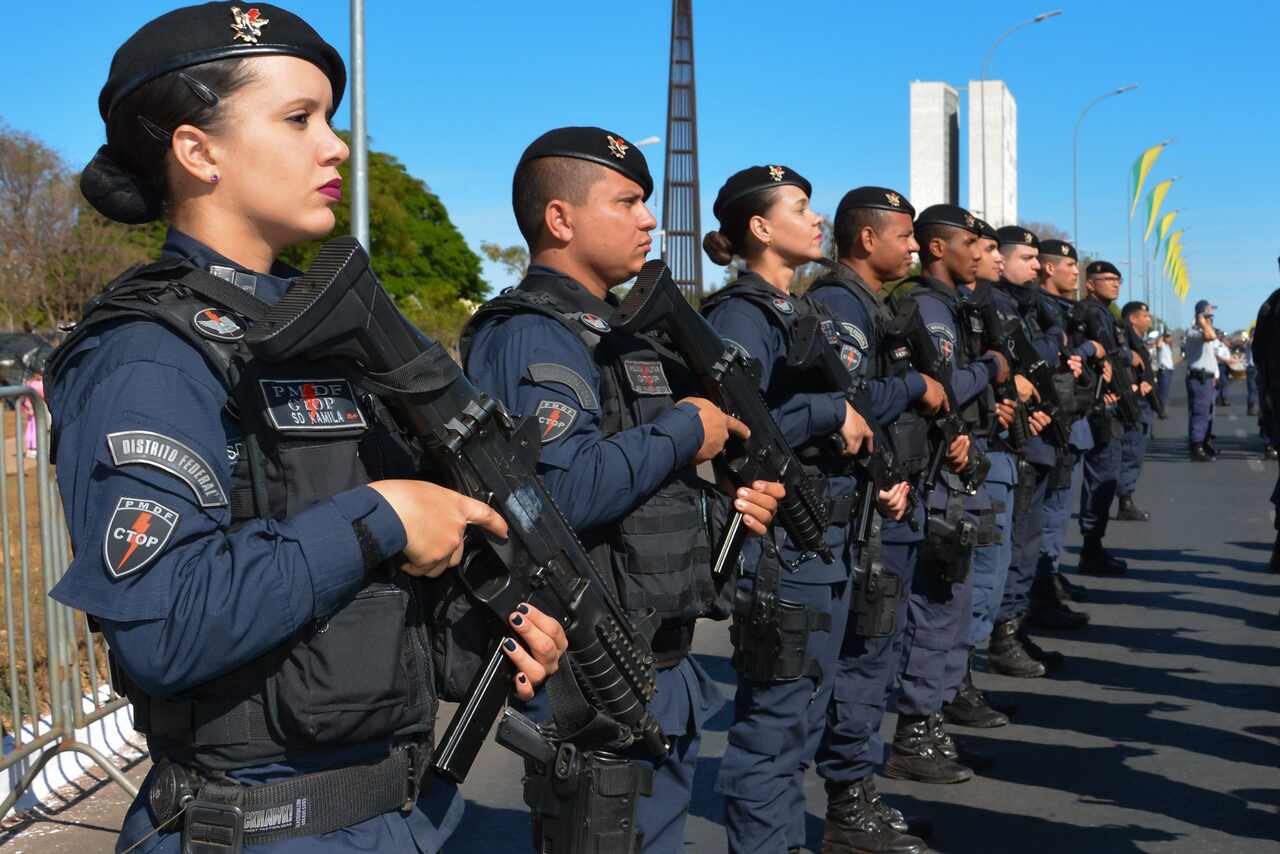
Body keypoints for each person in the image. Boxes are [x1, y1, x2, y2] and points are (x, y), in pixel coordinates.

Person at [45, 7, 572, 852]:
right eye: (299, 119)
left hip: (407, 812)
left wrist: (484, 640)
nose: (335, 146)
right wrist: (384, 516)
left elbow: (363, 597)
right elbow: (167, 626)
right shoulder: (148, 353)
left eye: (330, 117)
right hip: (256, 827)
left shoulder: (330, 339)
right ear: (198, 151)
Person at [462, 131, 785, 854]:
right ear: (560, 219)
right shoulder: (533, 336)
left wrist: (729, 511)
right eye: (628, 202)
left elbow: (649, 486)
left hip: (657, 659)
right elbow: (554, 497)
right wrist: (683, 429)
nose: (651, 220)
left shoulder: (625, 335)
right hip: (590, 674)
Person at [697, 167, 915, 854]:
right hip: (778, 553)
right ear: (761, 229)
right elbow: (733, 424)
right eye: (799, 208)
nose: (816, 219)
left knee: (802, 720)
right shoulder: (740, 315)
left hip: (820, 538)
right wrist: (827, 412)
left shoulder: (797, 312)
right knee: (774, 730)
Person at [808, 186, 948, 854]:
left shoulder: (870, 306)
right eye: (904, 236)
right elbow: (851, 404)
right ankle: (848, 803)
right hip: (865, 513)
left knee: (875, 652)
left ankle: (856, 792)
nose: (913, 248)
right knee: (862, 659)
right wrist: (916, 387)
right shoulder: (840, 305)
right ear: (867, 239)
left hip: (886, 500)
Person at [884, 204, 1002, 791]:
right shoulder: (927, 307)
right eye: (971, 243)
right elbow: (948, 386)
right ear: (939, 248)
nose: (980, 253)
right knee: (935, 605)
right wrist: (992, 369)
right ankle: (915, 730)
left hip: (954, 468)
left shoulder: (953, 307)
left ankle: (930, 722)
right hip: (934, 475)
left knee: (949, 601)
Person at [1069, 261, 1132, 576]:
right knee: (1101, 475)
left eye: (1118, 280)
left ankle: (1094, 547)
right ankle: (1091, 549)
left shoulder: (1106, 313)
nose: (1115, 284)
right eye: (1108, 279)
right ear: (1090, 283)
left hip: (1106, 401)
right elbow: (1103, 355)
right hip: (1098, 405)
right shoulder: (1092, 312)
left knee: (1105, 475)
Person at [1117, 302, 1156, 521]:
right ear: (1133, 319)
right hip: (1132, 403)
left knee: (1135, 450)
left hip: (1140, 402)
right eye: (1145, 316)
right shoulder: (1124, 339)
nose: (1148, 320)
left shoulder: (1136, 340)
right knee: (1131, 451)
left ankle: (1125, 496)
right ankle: (1125, 499)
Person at [1185, 299, 1229, 461]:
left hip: (1208, 378)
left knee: (1209, 414)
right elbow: (1209, 336)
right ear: (1201, 315)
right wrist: (1202, 322)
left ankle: (1204, 442)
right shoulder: (1193, 331)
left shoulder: (1207, 330)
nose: (1212, 317)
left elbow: (1211, 356)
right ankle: (1196, 446)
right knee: (1200, 413)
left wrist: (1216, 375)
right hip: (1199, 378)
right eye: (1208, 314)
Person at [1155, 332, 1175, 415]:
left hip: (1169, 370)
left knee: (1166, 392)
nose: (1169, 338)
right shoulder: (1161, 345)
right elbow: (1158, 345)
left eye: (1170, 337)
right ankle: (1161, 411)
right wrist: (1161, 336)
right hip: (1164, 370)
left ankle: (1163, 409)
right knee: (1163, 392)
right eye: (1167, 337)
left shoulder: (1168, 346)